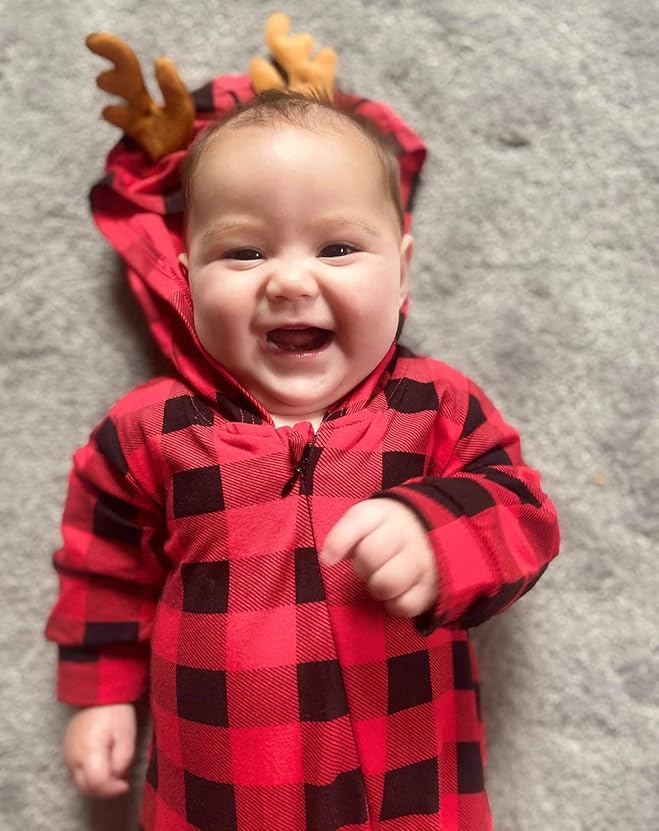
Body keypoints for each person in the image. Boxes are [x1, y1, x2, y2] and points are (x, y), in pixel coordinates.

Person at [46, 87, 560, 831]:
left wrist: (439, 533)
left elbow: (523, 509)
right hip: (220, 791)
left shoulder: (434, 406)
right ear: (186, 278)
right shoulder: (148, 430)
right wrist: (101, 696)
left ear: (403, 273)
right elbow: (105, 570)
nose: (288, 281)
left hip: (406, 784)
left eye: (337, 248)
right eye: (243, 252)